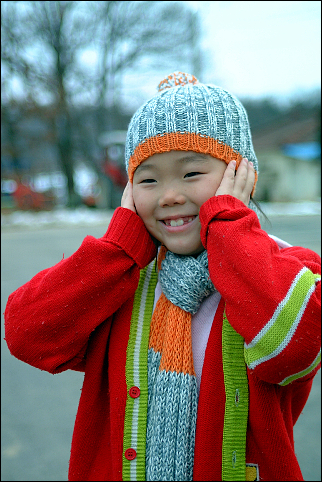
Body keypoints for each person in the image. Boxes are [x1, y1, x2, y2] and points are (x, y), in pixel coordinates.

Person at [4, 72, 321, 482]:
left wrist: (227, 226)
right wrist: (119, 247)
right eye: (148, 179)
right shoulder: (123, 278)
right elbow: (28, 333)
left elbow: (295, 348)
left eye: (191, 174)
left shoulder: (287, 268)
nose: (169, 195)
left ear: (241, 176)